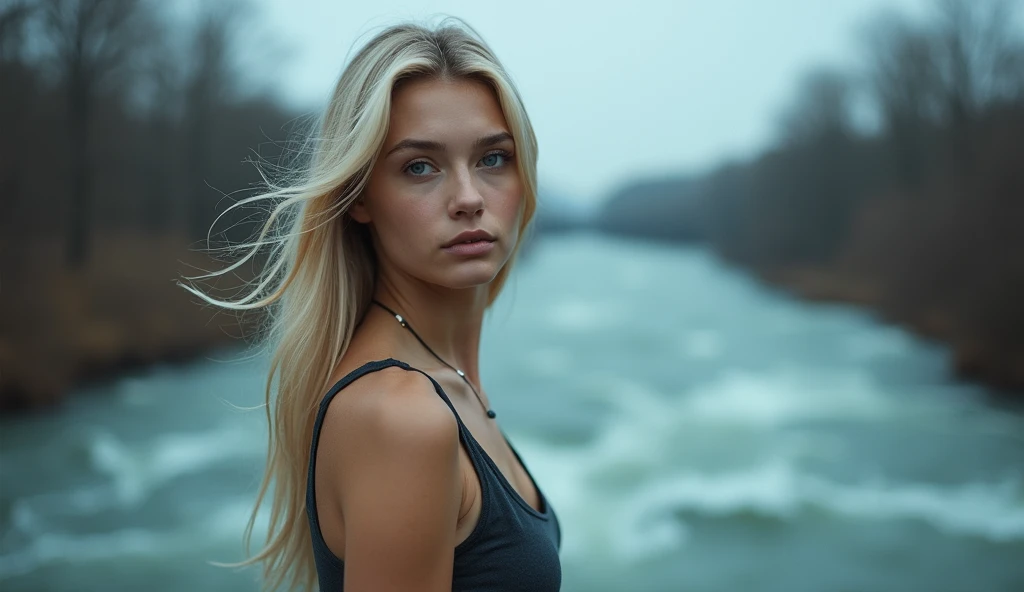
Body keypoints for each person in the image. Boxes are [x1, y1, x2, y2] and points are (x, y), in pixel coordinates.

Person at [180, 17, 561, 592]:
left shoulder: (445, 385)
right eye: (419, 167)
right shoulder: (401, 416)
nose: (468, 198)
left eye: (492, 158)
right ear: (359, 197)